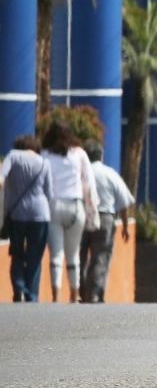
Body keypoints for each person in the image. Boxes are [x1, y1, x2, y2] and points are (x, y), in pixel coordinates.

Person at [42, 122, 99, 303]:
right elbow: (89, 183)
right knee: (73, 254)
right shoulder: (79, 154)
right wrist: (92, 208)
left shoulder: (45, 155)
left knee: (56, 254)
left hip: (53, 206)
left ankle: (55, 296)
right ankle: (74, 296)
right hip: (76, 207)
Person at [78, 140, 135, 303]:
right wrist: (125, 227)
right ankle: (94, 293)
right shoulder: (110, 173)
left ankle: (82, 291)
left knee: (80, 257)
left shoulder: (81, 173)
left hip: (83, 215)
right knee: (100, 256)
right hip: (105, 219)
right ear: (101, 156)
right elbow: (124, 201)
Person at [1, 136, 53, 302]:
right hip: (40, 214)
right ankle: (32, 295)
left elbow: (2, 178)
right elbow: (49, 193)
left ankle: (19, 289)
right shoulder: (45, 163)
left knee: (16, 254)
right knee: (35, 256)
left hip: (17, 214)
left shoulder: (13, 156)